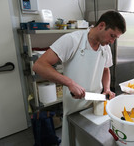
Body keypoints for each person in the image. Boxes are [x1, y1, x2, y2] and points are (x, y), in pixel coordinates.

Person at [33, 10, 126, 146]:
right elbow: (39, 65)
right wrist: (69, 83)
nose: (111, 41)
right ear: (101, 26)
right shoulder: (73, 40)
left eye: (115, 38)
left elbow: (106, 70)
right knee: (75, 141)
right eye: (111, 36)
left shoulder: (105, 48)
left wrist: (106, 89)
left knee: (93, 140)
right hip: (74, 108)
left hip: (95, 106)